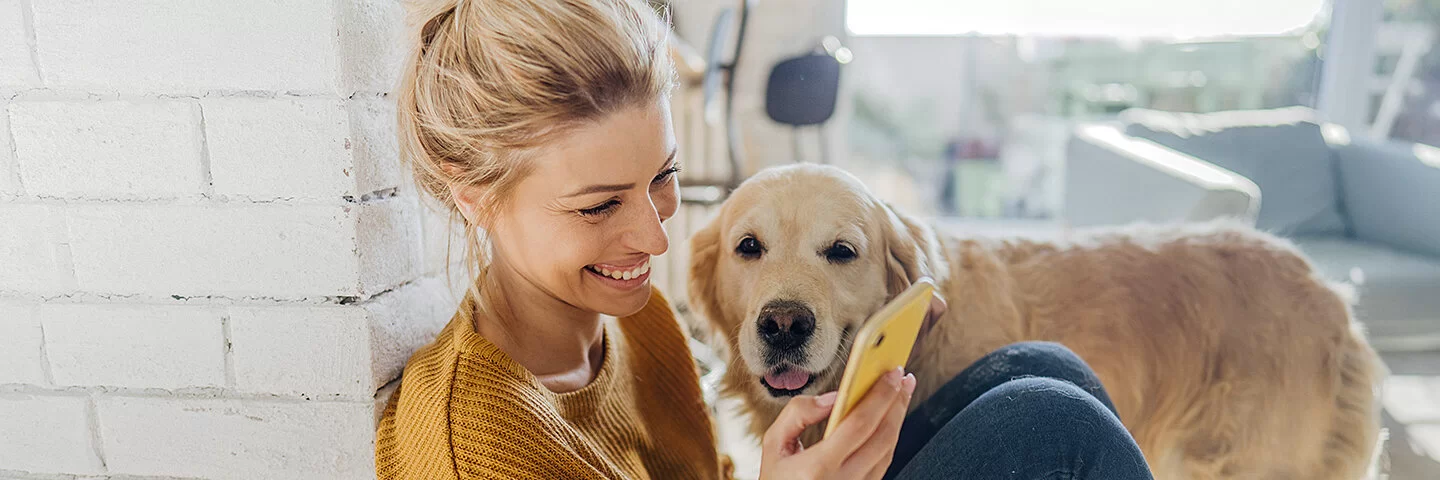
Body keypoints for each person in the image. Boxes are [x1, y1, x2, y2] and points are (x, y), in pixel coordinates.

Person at [374, 0, 1156, 478]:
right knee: (1053, 424)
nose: (654, 234)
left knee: (1039, 371)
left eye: (662, 177)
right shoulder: (476, 447)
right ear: (473, 195)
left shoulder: (631, 318)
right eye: (599, 205)